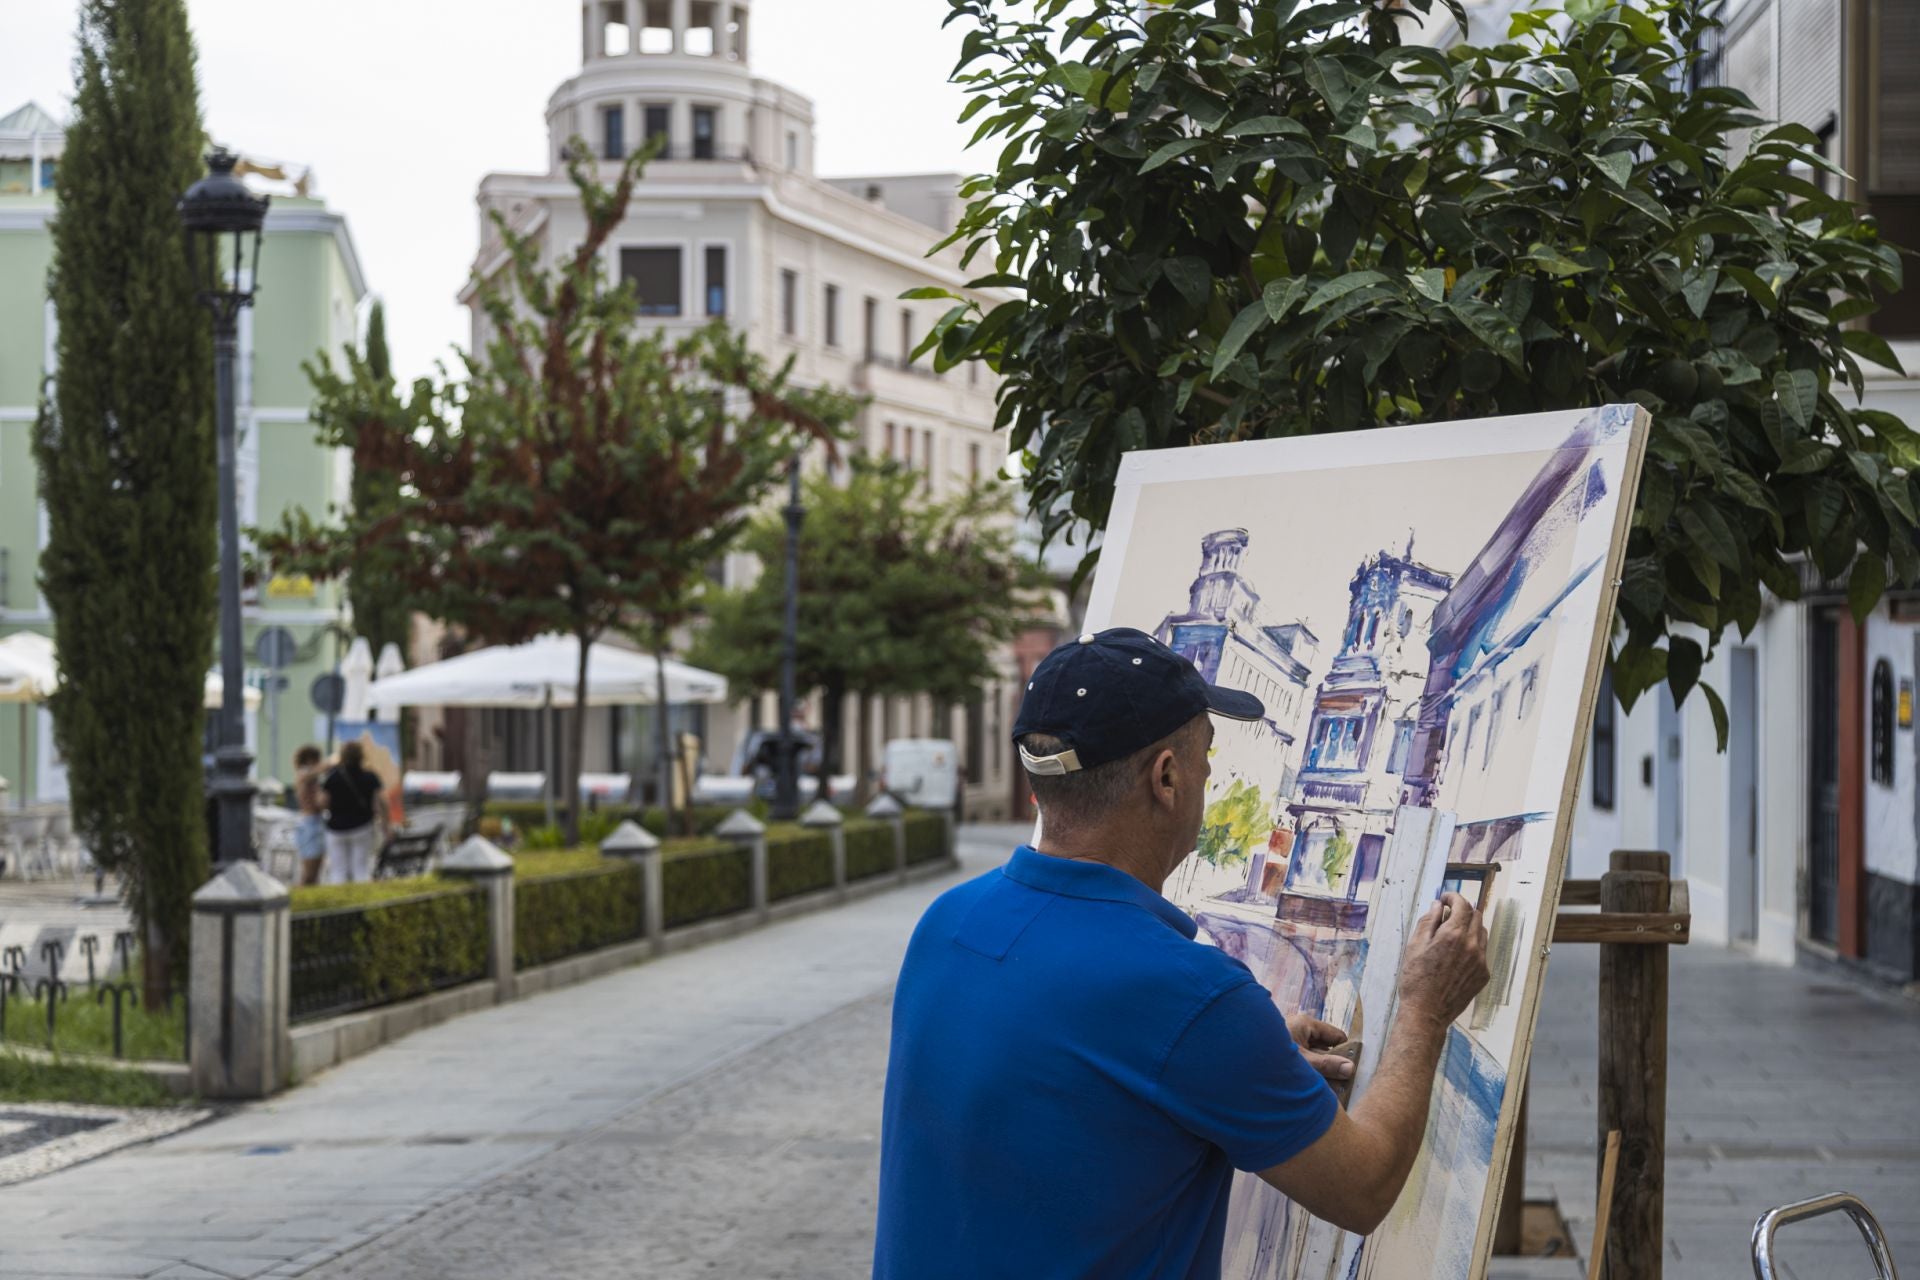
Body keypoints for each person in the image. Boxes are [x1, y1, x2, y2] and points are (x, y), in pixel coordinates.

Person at [873, 627, 1491, 1279]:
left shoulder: (946, 923)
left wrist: (1234, 1055)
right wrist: (1424, 1012)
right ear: (1166, 777)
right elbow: (1362, 1187)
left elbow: (1069, 1072)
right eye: (1205, 759)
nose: (1209, 776)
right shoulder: (1189, 998)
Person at [320, 741, 386, 884]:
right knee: (361, 869)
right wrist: (385, 826)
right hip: (362, 827)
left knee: (338, 870)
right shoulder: (370, 777)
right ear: (361, 756)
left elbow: (323, 803)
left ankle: (339, 903)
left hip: (336, 828)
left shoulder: (333, 777)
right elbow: (378, 805)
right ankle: (361, 902)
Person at [292, 745, 327, 886]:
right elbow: (313, 773)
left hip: (310, 821)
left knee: (312, 874)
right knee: (309, 874)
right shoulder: (304, 773)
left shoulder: (308, 777)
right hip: (311, 823)